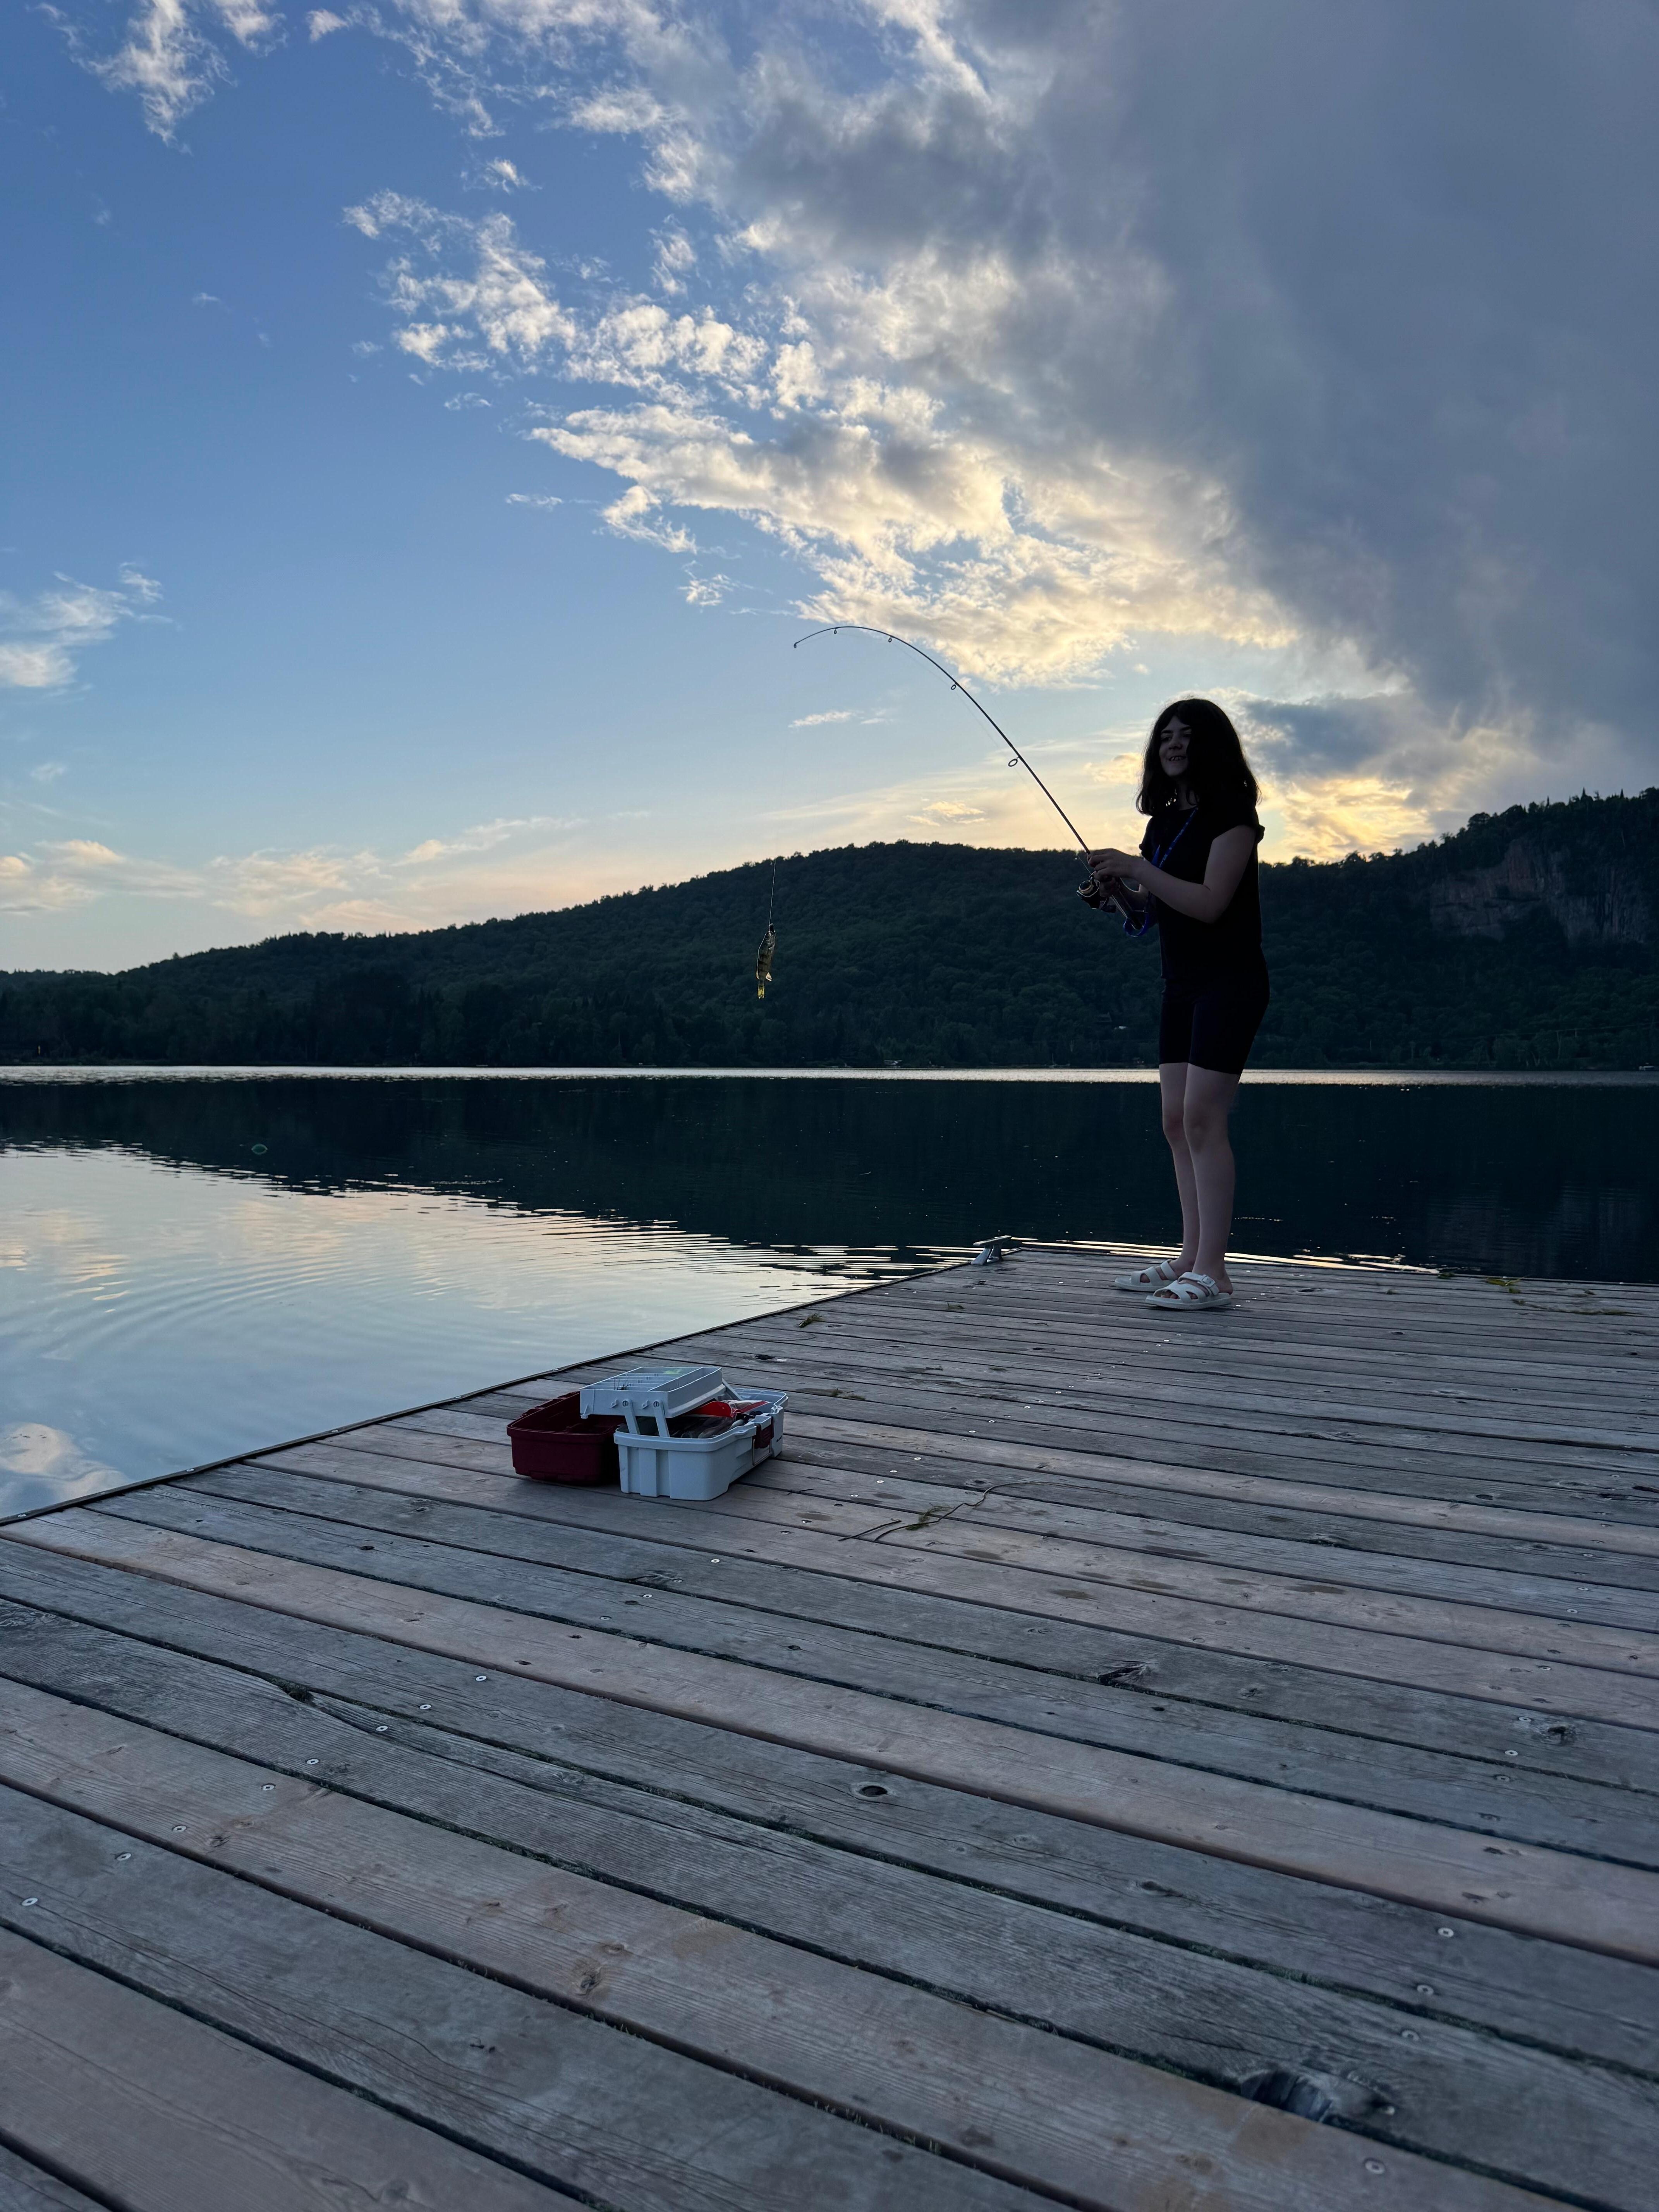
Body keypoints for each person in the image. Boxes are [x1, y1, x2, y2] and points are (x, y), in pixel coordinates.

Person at [1088, 699, 1267, 1311]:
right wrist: (1120, 895)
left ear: (1210, 744)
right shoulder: (1164, 824)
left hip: (1231, 982)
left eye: (1186, 736)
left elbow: (1212, 902)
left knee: (1202, 1120)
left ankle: (1215, 1274)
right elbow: (1153, 915)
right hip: (1182, 985)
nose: (1173, 745)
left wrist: (1139, 868)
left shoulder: (1233, 816)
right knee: (1174, 1120)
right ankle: (1189, 1258)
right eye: (1165, 735)